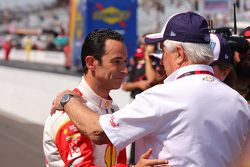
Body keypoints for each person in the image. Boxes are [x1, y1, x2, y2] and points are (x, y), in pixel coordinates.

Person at [51, 12, 250, 166]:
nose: (162, 60)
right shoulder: (238, 103)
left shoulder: (161, 96)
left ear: (179, 54)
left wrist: (68, 99)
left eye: (163, 51)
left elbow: (96, 131)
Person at [43, 29, 168, 167]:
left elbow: (117, 163)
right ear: (91, 63)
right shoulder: (69, 114)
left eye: (125, 62)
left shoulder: (112, 109)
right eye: (116, 62)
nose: (124, 70)